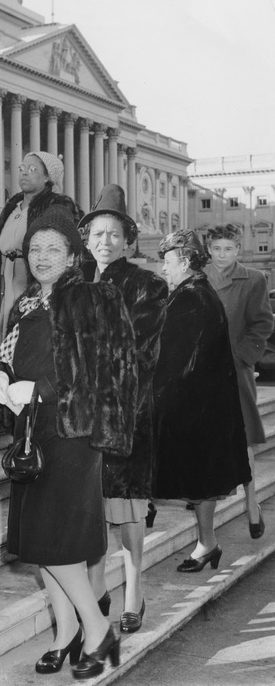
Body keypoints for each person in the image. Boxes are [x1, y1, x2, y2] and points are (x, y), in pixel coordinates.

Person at [0, 205, 138, 680]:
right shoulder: (26, 303)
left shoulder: (93, 297)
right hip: (31, 432)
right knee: (39, 540)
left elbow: (107, 368)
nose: (42, 256)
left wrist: (42, 390)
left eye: (54, 248)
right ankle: (66, 632)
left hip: (72, 432)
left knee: (59, 541)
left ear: (74, 255)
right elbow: (12, 357)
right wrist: (1, 377)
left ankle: (99, 631)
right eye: (35, 249)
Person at [79, 184, 167, 634]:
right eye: (98, 233)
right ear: (87, 237)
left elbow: (140, 349)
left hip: (125, 414)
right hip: (80, 419)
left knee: (128, 509)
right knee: (90, 510)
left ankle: (134, 591)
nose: (105, 242)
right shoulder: (74, 282)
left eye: (114, 234)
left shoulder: (148, 285)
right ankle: (96, 590)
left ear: (128, 240)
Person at [154, 230, 251, 572]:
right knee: (201, 479)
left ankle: (207, 544)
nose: (163, 269)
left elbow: (172, 358)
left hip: (194, 407)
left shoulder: (189, 297)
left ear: (183, 261)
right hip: (203, 405)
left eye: (167, 262)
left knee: (199, 479)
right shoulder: (199, 292)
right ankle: (207, 544)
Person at [0, 151, 83, 373]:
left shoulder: (57, 205)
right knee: (2, 328)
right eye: (21, 168)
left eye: (33, 169)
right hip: (5, 281)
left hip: (30, 279)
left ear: (48, 177)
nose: (24, 173)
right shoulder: (11, 207)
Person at [204, 224, 273, 538]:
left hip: (235, 372)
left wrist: (242, 357)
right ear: (209, 249)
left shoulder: (254, 279)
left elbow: (262, 324)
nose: (222, 255)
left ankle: (252, 503)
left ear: (238, 249)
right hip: (201, 374)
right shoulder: (196, 277)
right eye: (216, 249)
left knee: (242, 442)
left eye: (228, 249)